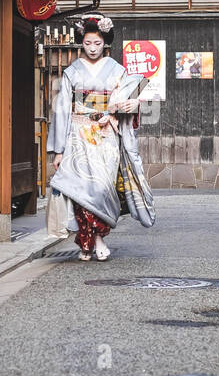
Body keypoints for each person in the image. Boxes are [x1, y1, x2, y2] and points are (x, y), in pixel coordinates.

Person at [47, 14, 156, 261]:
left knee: (101, 189)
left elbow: (132, 98)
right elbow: (62, 110)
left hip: (107, 135)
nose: (93, 48)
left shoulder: (118, 70)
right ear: (81, 43)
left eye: (97, 43)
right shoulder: (72, 72)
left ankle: (98, 237)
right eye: (87, 44)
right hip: (77, 135)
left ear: (104, 41)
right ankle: (88, 241)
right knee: (81, 189)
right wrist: (59, 150)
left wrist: (131, 105)